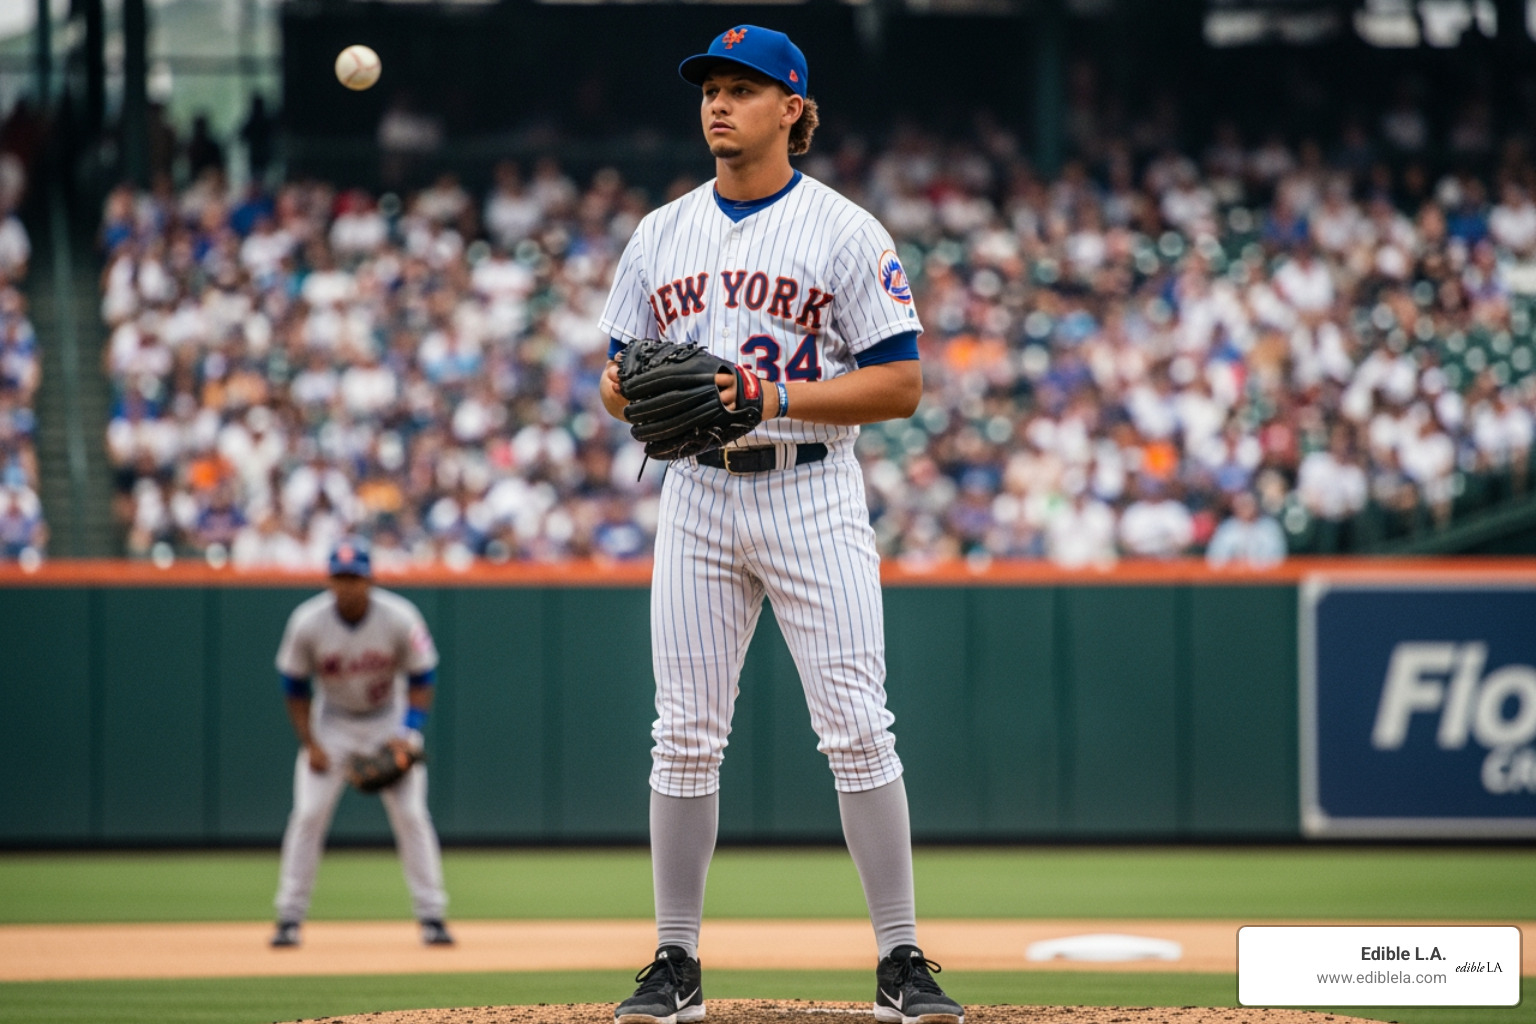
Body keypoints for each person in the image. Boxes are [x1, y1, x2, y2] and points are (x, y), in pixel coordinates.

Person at [596, 25, 963, 1024]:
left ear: (793, 108)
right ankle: (674, 960)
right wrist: (631, 392)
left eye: (743, 89)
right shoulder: (660, 232)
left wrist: (772, 396)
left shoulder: (844, 230)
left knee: (858, 729)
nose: (719, 103)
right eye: (710, 88)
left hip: (811, 488)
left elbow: (901, 384)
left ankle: (901, 958)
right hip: (697, 493)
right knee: (683, 735)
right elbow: (614, 379)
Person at [269, 537, 453, 948]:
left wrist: (408, 733)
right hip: (331, 724)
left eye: (355, 577)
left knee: (411, 815)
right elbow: (293, 686)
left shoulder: (400, 616)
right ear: (329, 580)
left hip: (389, 721)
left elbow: (423, 677)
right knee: (308, 814)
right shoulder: (308, 621)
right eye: (341, 577)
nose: (348, 585)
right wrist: (310, 743)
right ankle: (289, 918)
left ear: (370, 579)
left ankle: (432, 916)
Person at [1205, 491, 1287, 569]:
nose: (1245, 509)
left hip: (1265, 577)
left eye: (1248, 505)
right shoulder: (1227, 528)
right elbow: (1215, 558)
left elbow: (1277, 557)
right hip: (1231, 576)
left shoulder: (1269, 527)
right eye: (1242, 505)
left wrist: (1254, 567)